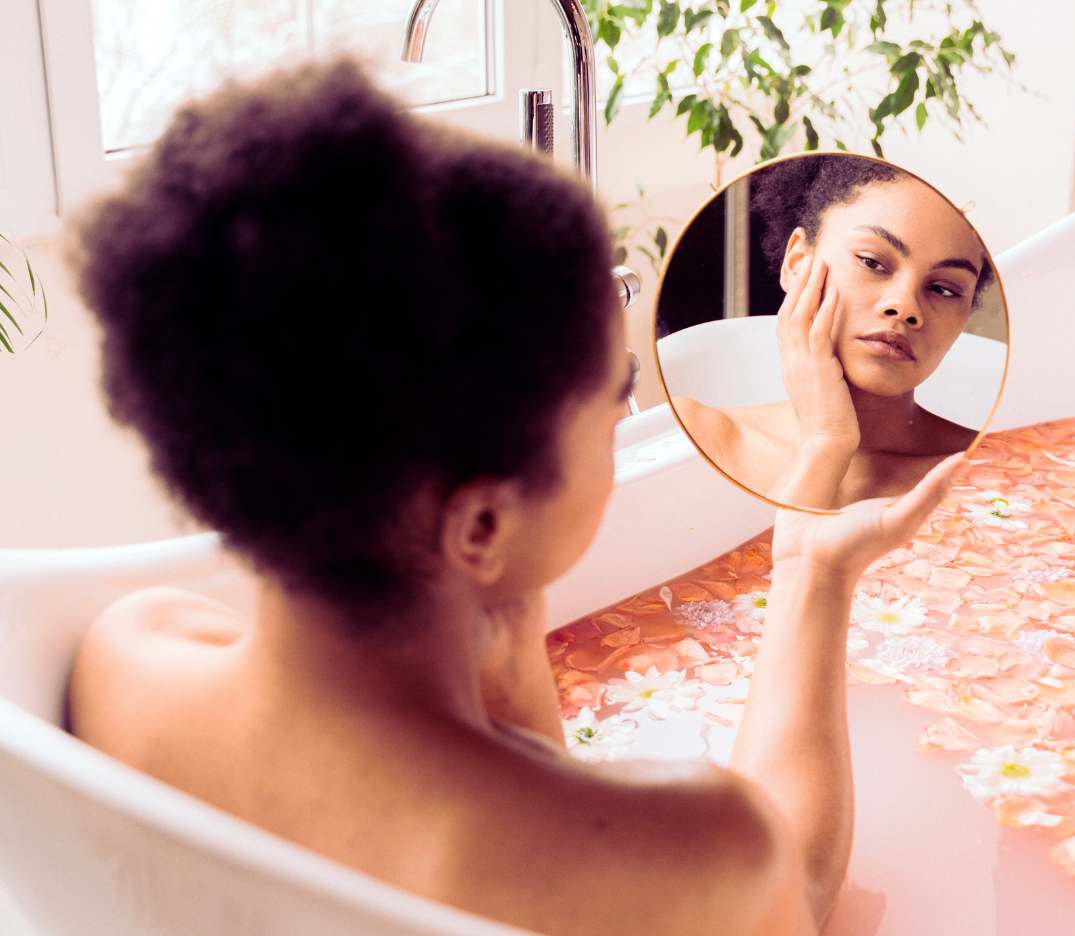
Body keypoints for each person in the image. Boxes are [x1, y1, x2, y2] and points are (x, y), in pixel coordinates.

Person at [67, 62, 964, 936]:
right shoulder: (691, 849)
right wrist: (810, 565)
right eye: (612, 396)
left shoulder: (129, 658)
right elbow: (796, 895)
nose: (628, 412)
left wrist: (501, 639)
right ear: (485, 523)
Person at [673, 155, 991, 510]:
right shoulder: (691, 433)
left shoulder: (997, 471)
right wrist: (826, 443)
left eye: (945, 289)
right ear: (797, 263)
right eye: (872, 262)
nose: (905, 307)